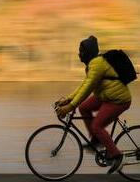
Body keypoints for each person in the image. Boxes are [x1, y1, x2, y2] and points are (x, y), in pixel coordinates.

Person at [56, 35, 132, 174]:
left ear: (88, 52)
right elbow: (84, 85)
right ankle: (96, 140)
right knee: (83, 107)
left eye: (81, 51)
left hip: (118, 100)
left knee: (97, 125)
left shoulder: (97, 63)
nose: (79, 54)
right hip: (106, 96)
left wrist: (69, 107)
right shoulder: (93, 64)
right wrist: (68, 99)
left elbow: (88, 88)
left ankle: (117, 156)